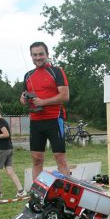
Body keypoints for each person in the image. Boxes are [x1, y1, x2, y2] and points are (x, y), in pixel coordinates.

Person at [20, 41, 70, 181]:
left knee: (59, 157)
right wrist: (23, 99)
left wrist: (44, 102)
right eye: (34, 55)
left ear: (47, 55)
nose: (38, 57)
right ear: (31, 56)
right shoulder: (28, 75)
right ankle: (37, 193)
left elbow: (65, 96)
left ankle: (66, 191)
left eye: (41, 54)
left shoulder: (57, 71)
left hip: (54, 120)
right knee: (36, 159)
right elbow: (24, 96)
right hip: (35, 122)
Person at [0, 101, 27, 198]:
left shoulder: (0, 121)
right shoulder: (2, 121)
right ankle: (21, 191)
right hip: (8, 148)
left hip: (3, 150)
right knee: (9, 170)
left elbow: (6, 134)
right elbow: (5, 136)